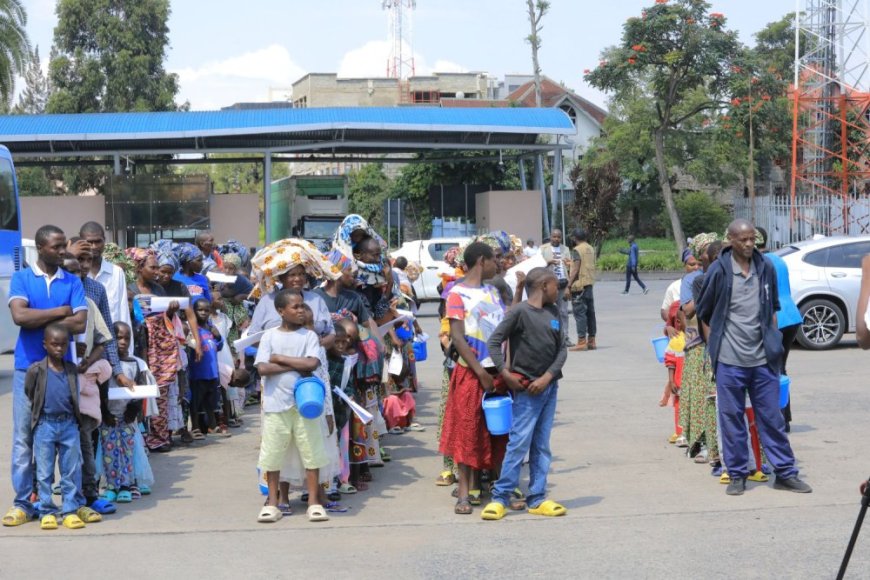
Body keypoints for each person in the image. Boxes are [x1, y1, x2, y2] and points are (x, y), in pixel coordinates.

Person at [697, 219, 812, 496]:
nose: (749, 244)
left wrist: (772, 343)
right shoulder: (719, 271)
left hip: (762, 360)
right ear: (730, 240)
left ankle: (785, 472)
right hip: (729, 360)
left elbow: (772, 309)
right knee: (732, 419)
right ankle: (737, 474)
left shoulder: (766, 267)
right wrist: (714, 349)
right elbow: (705, 311)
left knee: (771, 418)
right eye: (743, 240)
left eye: (753, 240)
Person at [4, 225, 88, 528]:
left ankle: (67, 503)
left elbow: (79, 324)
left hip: (62, 372)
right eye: (56, 247)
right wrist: (59, 310)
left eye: (63, 246)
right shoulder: (22, 278)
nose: (63, 251)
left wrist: (42, 313)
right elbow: (19, 317)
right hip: (29, 370)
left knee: (66, 437)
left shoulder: (72, 280)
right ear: (40, 248)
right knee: (24, 439)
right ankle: (23, 502)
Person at [481, 267, 568, 520]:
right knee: (519, 442)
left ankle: (537, 497)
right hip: (527, 390)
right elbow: (494, 342)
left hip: (548, 387)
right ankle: (501, 497)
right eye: (555, 285)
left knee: (542, 445)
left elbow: (562, 349)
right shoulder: (519, 312)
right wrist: (504, 373)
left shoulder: (553, 312)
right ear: (543, 286)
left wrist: (547, 377)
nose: (557, 290)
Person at [439, 241, 506, 515]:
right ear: (481, 260)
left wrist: (503, 369)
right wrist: (480, 372)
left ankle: (500, 487)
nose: (497, 264)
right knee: (467, 432)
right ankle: (464, 493)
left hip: (496, 371)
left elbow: (502, 330)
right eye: (494, 260)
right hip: (471, 373)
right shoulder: (457, 294)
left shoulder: (492, 291)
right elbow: (458, 338)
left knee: (496, 433)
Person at [254, 288, 328, 523]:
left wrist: (279, 358)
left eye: (302, 306)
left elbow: (313, 363)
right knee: (273, 454)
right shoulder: (269, 336)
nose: (301, 311)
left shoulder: (309, 336)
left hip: (306, 403)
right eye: (295, 307)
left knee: (311, 452)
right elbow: (263, 369)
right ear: (280, 311)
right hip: (276, 405)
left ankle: (314, 502)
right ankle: (273, 503)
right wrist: (297, 365)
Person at [25, 323, 95, 530]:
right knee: (45, 471)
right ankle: (47, 510)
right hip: (45, 425)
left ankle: (70, 510)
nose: (59, 348)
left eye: (63, 345)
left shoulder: (71, 369)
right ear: (45, 344)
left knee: (71, 470)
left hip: (68, 425)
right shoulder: (36, 370)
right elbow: (30, 392)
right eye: (54, 344)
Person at [126, 248, 183, 452]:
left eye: (158, 267)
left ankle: (160, 437)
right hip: (141, 343)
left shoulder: (158, 289)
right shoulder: (129, 289)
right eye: (153, 267)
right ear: (139, 268)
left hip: (161, 347)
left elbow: (164, 316)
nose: (157, 271)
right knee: (141, 389)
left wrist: (171, 311)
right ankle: (142, 438)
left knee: (161, 391)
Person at [99, 322, 155, 504]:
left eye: (126, 338)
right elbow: (100, 390)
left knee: (128, 451)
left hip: (127, 417)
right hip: (109, 417)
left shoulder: (134, 364)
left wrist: (134, 409)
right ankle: (112, 486)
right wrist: (104, 412)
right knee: (110, 451)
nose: (122, 342)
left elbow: (139, 390)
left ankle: (126, 484)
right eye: (118, 338)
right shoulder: (105, 365)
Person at [756, 227, 801, 432]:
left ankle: (777, 419)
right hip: (791, 315)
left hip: (775, 318)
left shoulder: (758, 263)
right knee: (780, 367)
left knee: (771, 369)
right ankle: (785, 417)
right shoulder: (779, 259)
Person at [79, 221, 131, 337]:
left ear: (104, 240)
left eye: (98, 241)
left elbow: (123, 312)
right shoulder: (75, 274)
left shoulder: (116, 273)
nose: (94, 246)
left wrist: (127, 349)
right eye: (89, 242)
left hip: (111, 341)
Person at [188, 297, 224, 439]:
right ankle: (196, 427)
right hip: (198, 372)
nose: (203, 313)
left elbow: (219, 347)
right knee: (196, 401)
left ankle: (212, 425)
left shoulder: (210, 328)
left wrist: (218, 336)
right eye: (200, 310)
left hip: (212, 371)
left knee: (211, 400)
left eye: (206, 310)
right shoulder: (193, 329)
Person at [539, 229, 572, 341]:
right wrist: (549, 262)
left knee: (563, 312)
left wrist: (569, 286)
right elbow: (538, 265)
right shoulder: (543, 249)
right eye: (554, 237)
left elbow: (570, 267)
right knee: (548, 311)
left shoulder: (565, 249)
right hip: (549, 285)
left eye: (558, 237)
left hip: (562, 284)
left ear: (561, 238)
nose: (556, 239)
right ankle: (550, 336)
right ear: (550, 237)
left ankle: (565, 336)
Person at [567, 229, 597, 351]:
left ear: (574, 238)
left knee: (580, 314)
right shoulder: (590, 248)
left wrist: (568, 286)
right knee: (590, 313)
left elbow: (576, 269)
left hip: (579, 286)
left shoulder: (577, 250)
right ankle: (592, 341)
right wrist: (570, 263)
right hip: (589, 284)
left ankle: (581, 341)